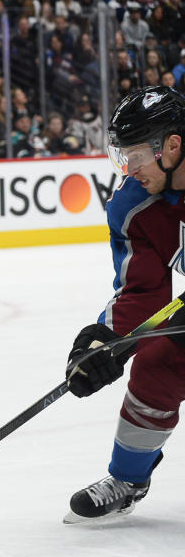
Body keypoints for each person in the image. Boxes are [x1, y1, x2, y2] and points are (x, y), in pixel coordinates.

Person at [63, 86, 185, 522]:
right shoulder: (133, 205)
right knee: (157, 362)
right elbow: (142, 291)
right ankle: (129, 479)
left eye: (135, 156)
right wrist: (105, 341)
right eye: (124, 157)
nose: (129, 170)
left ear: (172, 146)